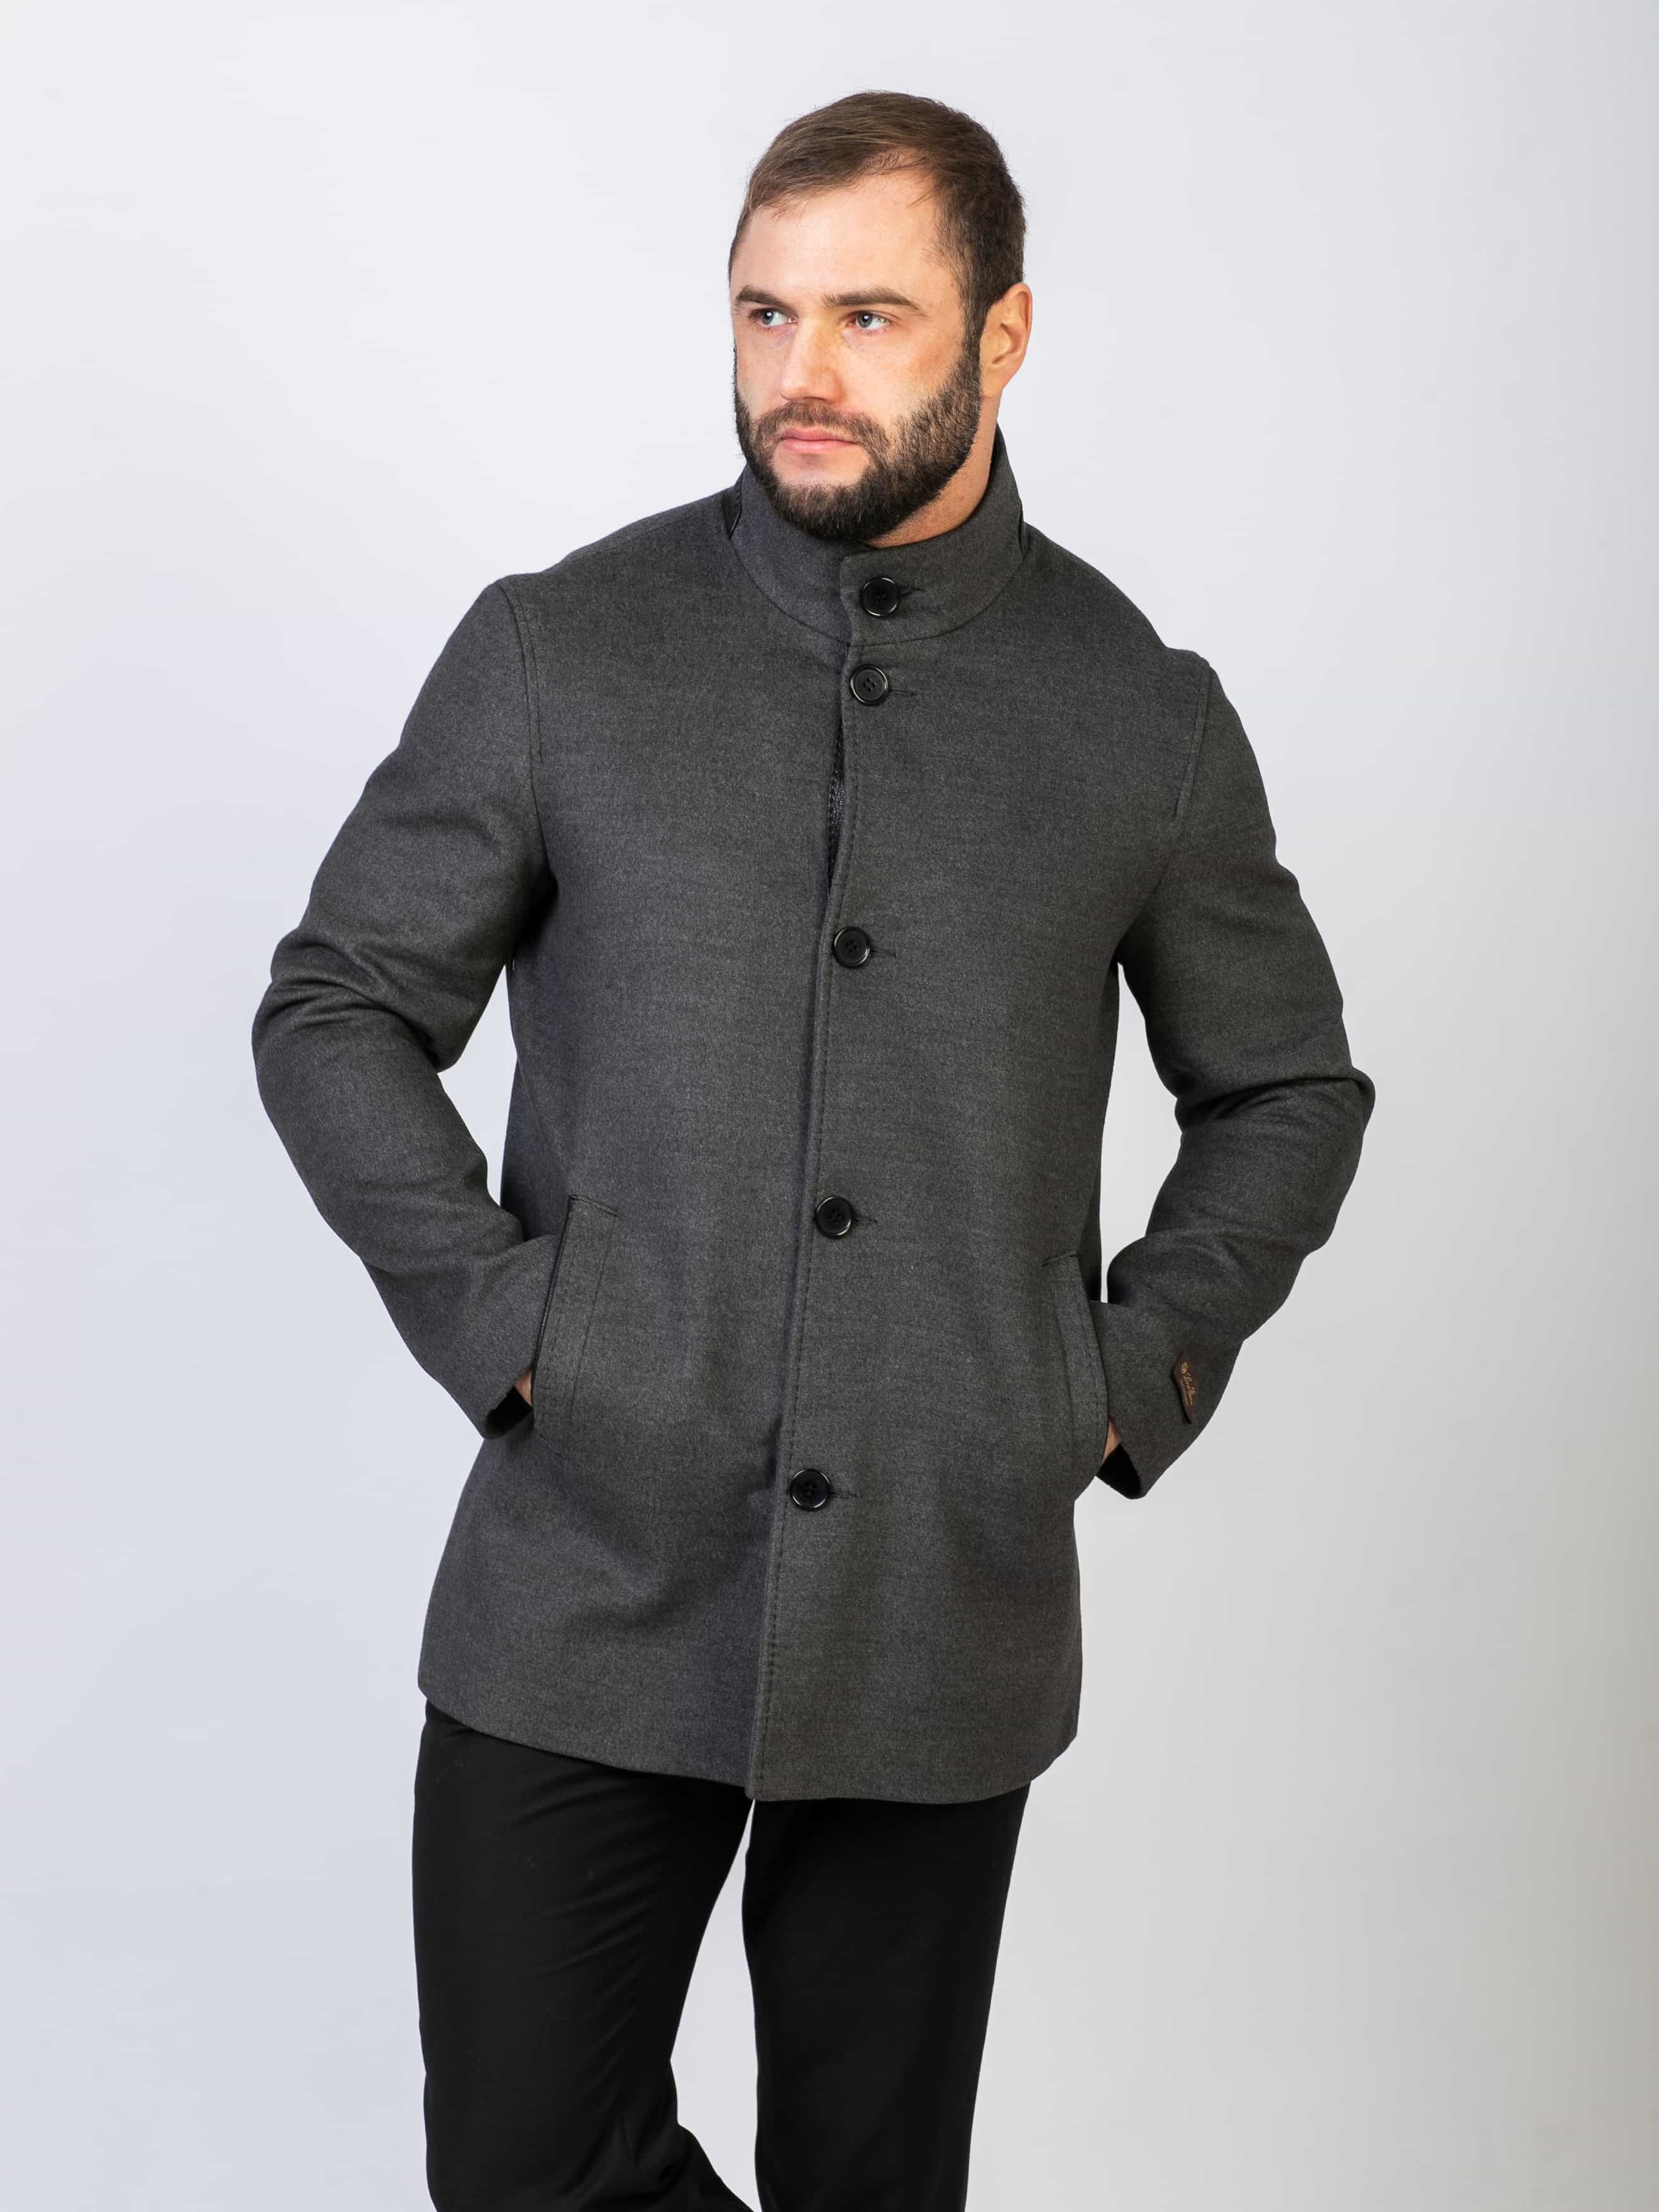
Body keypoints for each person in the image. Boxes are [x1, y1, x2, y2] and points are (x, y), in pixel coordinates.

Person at [252, 87, 1376, 2212]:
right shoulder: (560, 650)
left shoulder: (1137, 711)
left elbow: (1285, 1089)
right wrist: (514, 1325)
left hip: (942, 1596)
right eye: (765, 312)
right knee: (522, 2161)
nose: (802, 371)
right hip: (585, 1565)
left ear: (1002, 335)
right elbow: (337, 1006)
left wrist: (1106, 1380)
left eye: (869, 316)